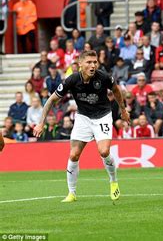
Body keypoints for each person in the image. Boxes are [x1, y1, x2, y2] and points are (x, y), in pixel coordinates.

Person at [33, 50, 130, 203]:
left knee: (104, 151)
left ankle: (113, 181)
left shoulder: (103, 77)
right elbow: (51, 100)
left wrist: (123, 111)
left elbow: (116, 91)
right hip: (83, 118)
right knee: (73, 155)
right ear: (80, 64)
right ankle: (72, 193)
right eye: (89, 62)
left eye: (95, 62)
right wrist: (41, 122)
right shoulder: (71, 80)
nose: (93, 65)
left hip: (103, 116)